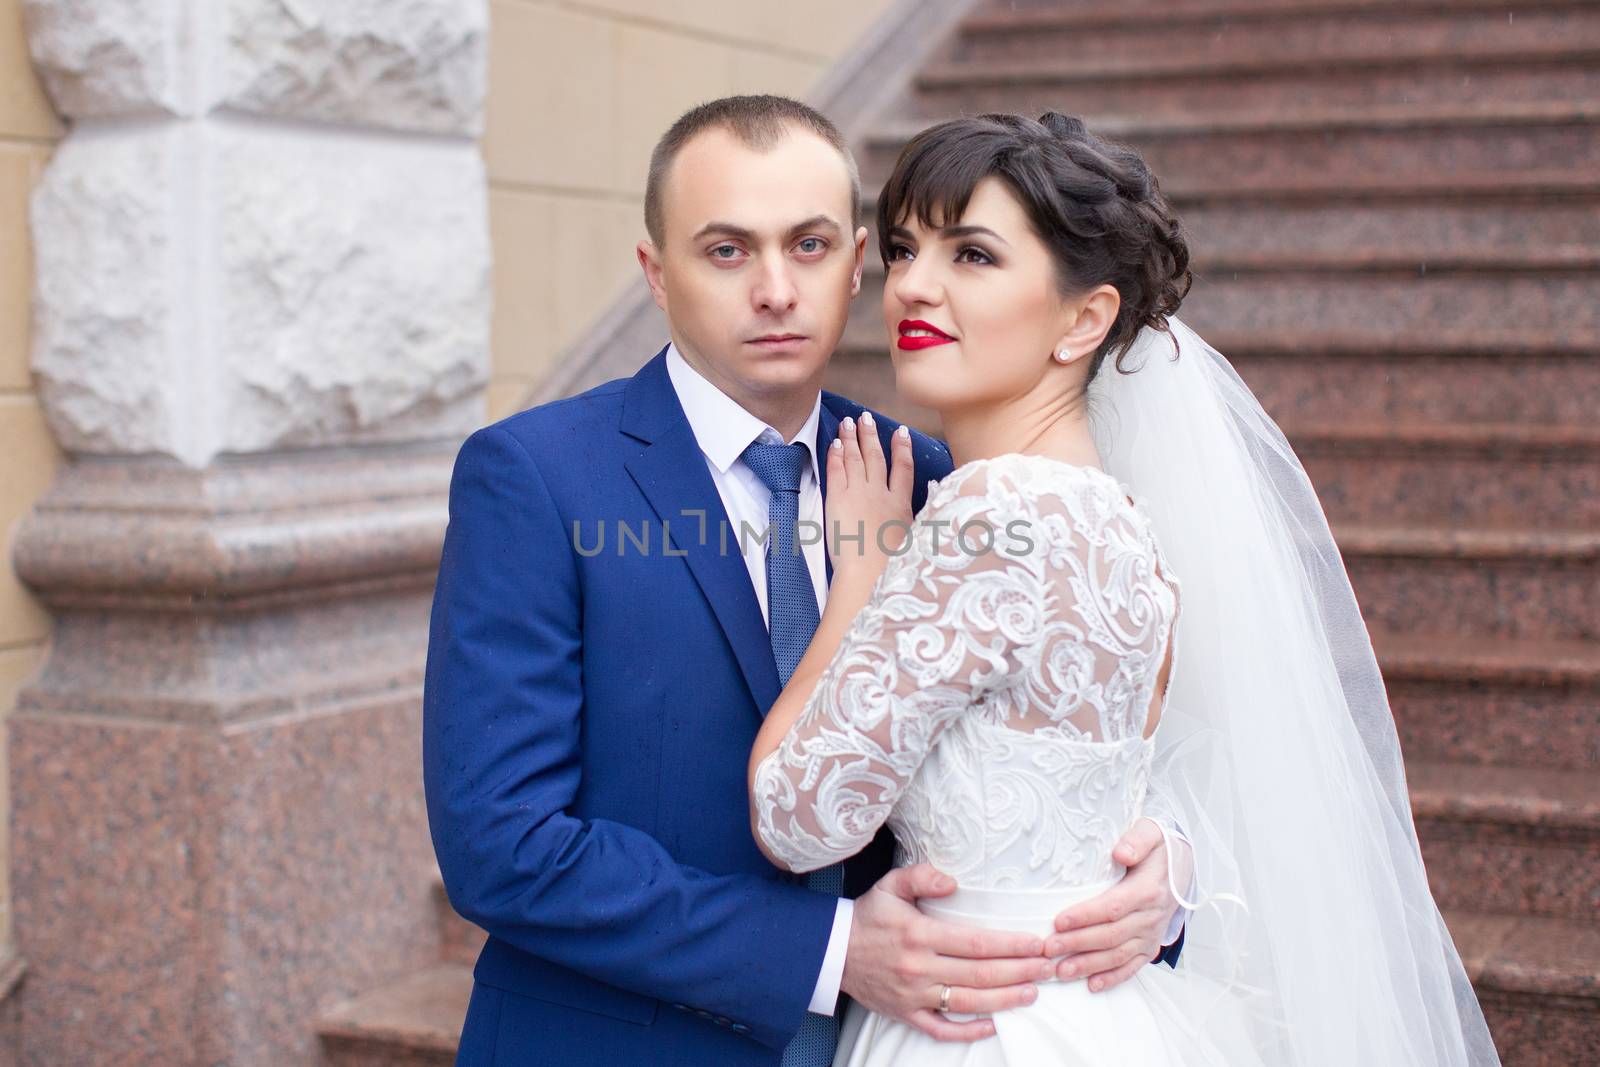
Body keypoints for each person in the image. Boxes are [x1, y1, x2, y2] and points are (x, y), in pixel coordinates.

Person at [422, 96, 1193, 1067]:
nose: (777, 289)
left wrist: (1155, 870)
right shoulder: (535, 475)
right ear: (656, 274)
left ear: (859, 261)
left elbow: (1074, 736)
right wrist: (828, 953)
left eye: (811, 245)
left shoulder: (939, 482)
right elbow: (503, 843)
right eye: (727, 250)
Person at [748, 112, 1504, 1066]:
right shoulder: (1124, 522)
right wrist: (1176, 863)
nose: (911, 284)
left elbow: (798, 818)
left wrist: (860, 573)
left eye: (972, 255)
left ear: (1085, 319)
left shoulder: (992, 513)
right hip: (1099, 1013)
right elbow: (1153, 773)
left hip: (986, 1022)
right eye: (903, 247)